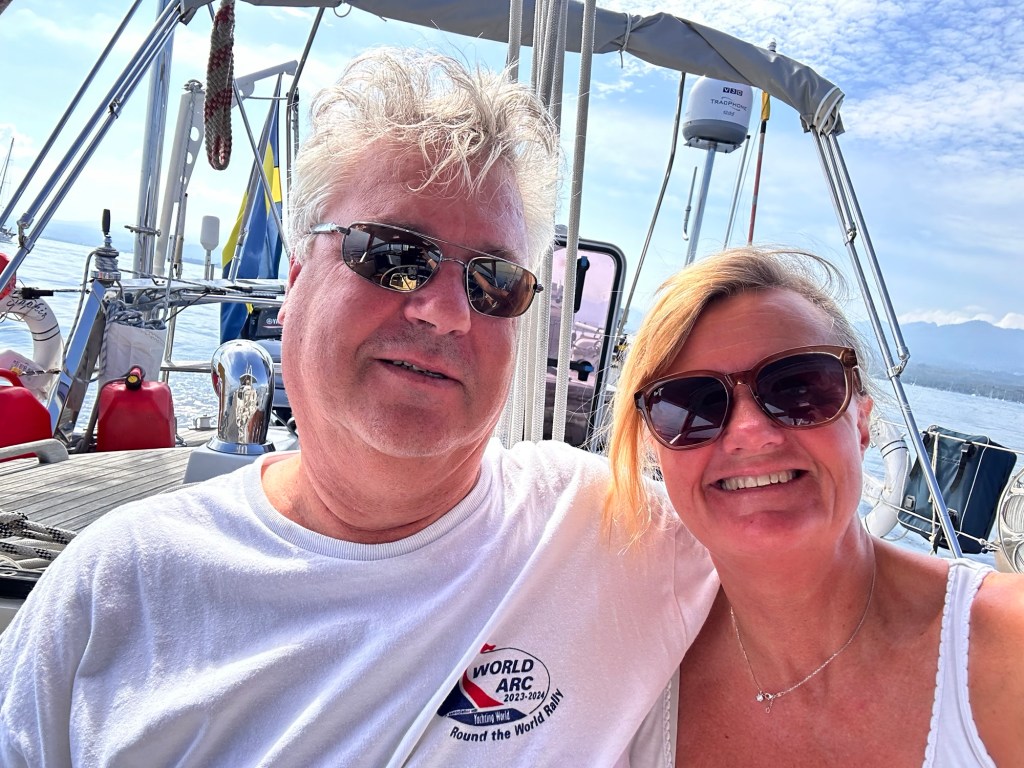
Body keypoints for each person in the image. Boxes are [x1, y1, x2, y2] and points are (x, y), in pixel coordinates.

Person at [0, 49, 717, 766]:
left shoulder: (616, 532)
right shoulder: (116, 589)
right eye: (394, 254)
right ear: (297, 277)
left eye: (492, 281)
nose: (447, 312)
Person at [606, 247, 1024, 766]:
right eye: (691, 405)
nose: (751, 432)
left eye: (800, 388)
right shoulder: (629, 665)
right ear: (655, 448)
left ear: (862, 423)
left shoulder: (1007, 643)